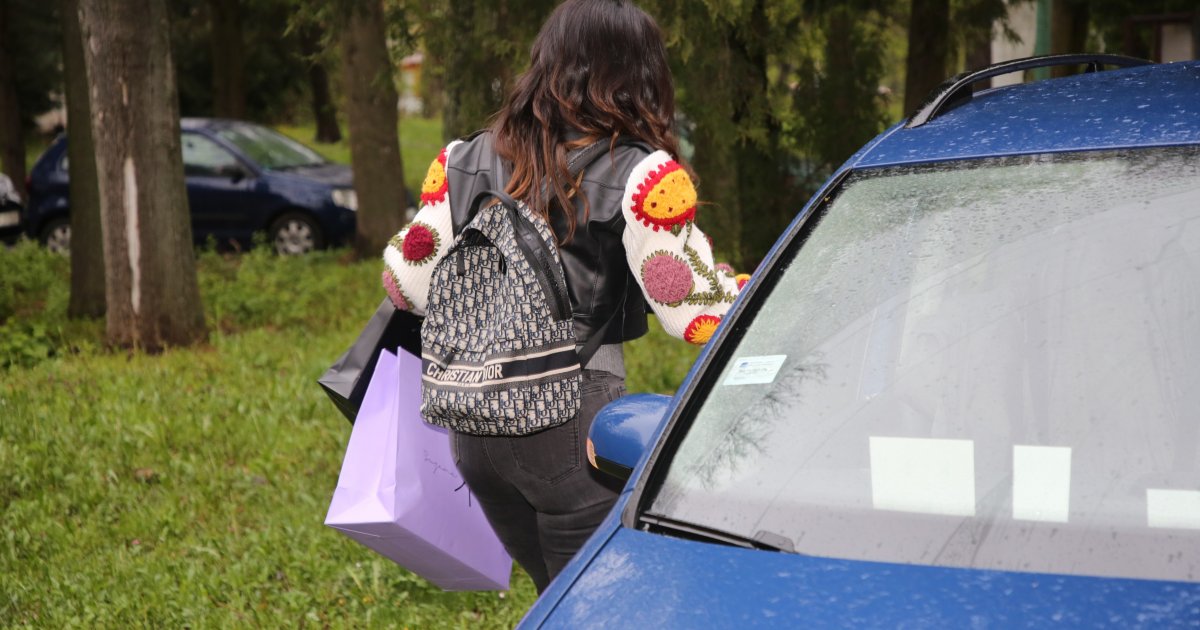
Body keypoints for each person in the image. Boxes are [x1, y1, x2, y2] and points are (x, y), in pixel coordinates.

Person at [381, 0, 744, 594]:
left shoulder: (461, 158)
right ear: (640, 74)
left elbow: (405, 284)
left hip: (472, 431)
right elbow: (695, 314)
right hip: (570, 425)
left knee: (558, 597)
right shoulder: (643, 174)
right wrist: (761, 294)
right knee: (600, 601)